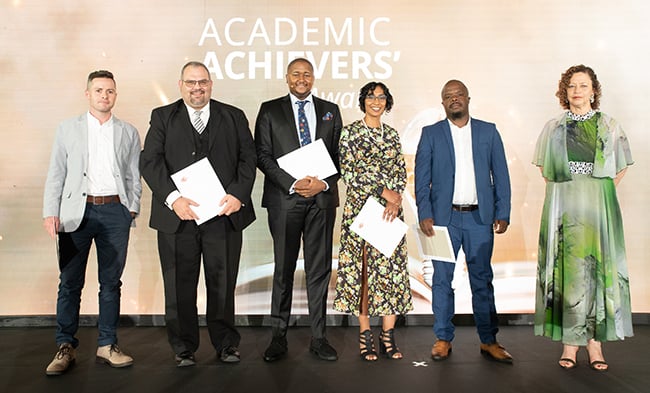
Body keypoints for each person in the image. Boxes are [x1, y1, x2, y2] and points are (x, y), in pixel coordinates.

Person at [139, 61, 256, 367]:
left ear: (211, 84)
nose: (197, 88)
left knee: (223, 283)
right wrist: (173, 198)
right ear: (180, 85)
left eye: (202, 82)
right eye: (190, 83)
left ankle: (227, 344)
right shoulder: (163, 117)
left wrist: (238, 195)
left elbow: (248, 159)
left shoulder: (233, 116)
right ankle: (183, 348)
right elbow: (149, 162)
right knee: (179, 286)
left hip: (223, 216)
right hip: (178, 219)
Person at [533, 65, 634, 372]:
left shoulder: (609, 125)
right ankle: (569, 345)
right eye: (571, 86)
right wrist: (569, 193)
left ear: (594, 90)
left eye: (583, 85)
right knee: (569, 274)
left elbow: (621, 165)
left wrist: (598, 190)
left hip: (598, 208)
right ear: (565, 92)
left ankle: (595, 346)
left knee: (598, 272)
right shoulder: (554, 127)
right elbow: (544, 168)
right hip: (565, 207)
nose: (577, 90)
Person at [42, 70, 141, 375]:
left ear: (115, 94)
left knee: (111, 283)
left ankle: (107, 345)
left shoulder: (128, 132)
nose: (104, 96)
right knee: (70, 283)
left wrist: (131, 208)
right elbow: (56, 172)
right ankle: (65, 347)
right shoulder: (67, 129)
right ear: (88, 94)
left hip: (114, 213)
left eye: (110, 91)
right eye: (98, 90)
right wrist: (50, 211)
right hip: (75, 214)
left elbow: (133, 175)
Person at [414, 79, 513, 363]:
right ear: (442, 103)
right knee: (442, 281)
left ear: (468, 99)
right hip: (442, 221)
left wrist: (502, 212)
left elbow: (501, 176)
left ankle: (489, 341)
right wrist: (424, 213)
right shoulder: (430, 133)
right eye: (448, 96)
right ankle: (443, 338)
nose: (454, 99)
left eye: (459, 95)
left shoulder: (488, 132)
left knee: (482, 280)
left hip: (479, 219)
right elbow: (422, 179)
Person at [255, 57, 343, 362]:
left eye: (307, 74)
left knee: (319, 270)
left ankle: (319, 337)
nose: (301, 78)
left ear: (313, 77)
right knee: (283, 269)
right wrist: (293, 183)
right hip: (285, 200)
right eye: (296, 74)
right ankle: (278, 337)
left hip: (321, 201)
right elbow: (262, 156)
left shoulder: (331, 110)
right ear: (287, 78)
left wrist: (324, 184)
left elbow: (338, 157)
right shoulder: (269, 109)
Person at [333, 82, 413, 361]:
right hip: (361, 212)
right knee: (363, 272)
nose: (376, 101)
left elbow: (400, 171)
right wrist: (383, 191)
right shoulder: (351, 133)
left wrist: (394, 198)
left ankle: (388, 335)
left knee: (390, 273)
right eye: (371, 96)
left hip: (390, 212)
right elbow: (349, 172)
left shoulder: (391, 134)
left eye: (381, 97)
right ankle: (365, 334)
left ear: (387, 102)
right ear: (363, 101)